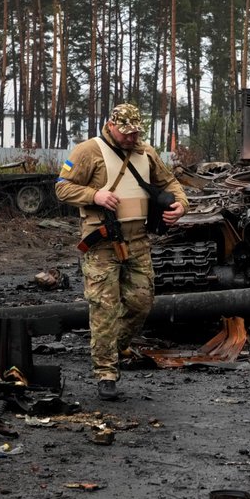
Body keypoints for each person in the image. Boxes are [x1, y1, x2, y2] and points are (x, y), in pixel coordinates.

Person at [55, 103, 188, 400]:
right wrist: (94, 195)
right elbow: (62, 188)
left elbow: (170, 183)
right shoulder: (88, 151)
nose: (131, 138)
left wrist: (181, 204)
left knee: (141, 302)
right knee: (104, 307)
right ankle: (106, 372)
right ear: (111, 125)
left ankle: (110, 348)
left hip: (138, 240)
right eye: (126, 133)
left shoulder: (147, 153)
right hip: (101, 241)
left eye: (136, 133)